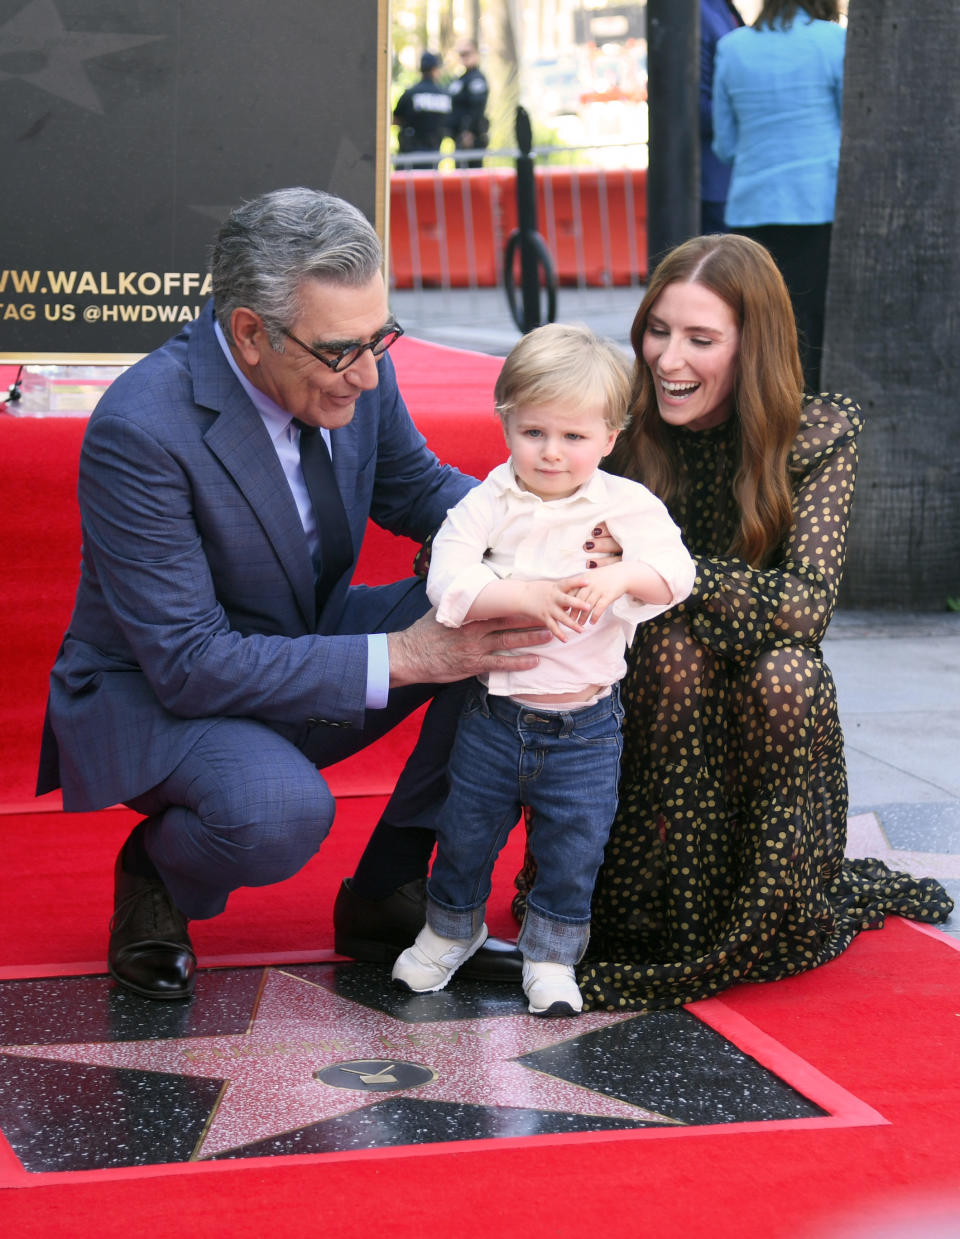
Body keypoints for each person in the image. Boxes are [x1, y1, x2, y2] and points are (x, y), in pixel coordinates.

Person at [35, 187, 621, 1003]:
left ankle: (388, 891)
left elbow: (424, 490)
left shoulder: (350, 361)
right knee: (279, 810)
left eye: (382, 337)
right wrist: (411, 655)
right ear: (249, 333)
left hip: (301, 640)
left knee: (514, 622)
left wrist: (573, 538)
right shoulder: (141, 428)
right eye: (345, 350)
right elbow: (189, 662)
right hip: (158, 691)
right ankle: (158, 872)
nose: (372, 373)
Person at [540, 232, 952, 1012]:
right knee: (670, 647)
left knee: (789, 672)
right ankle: (651, 909)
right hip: (648, 681)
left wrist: (662, 570)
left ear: (751, 346)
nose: (668, 359)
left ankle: (773, 905)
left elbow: (805, 606)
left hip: (761, 686)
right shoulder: (617, 420)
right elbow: (525, 513)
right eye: (658, 331)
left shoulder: (817, 431)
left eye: (700, 339)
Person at [391, 324, 695, 1016]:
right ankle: (450, 929)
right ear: (506, 424)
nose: (552, 452)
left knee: (573, 845)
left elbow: (678, 572)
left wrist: (622, 575)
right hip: (497, 715)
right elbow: (448, 580)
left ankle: (552, 956)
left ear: (610, 436)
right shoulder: (489, 501)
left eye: (573, 437)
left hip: (587, 724)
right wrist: (522, 594)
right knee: (465, 830)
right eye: (534, 433)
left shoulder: (626, 507)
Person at [711, 0, 846, 391]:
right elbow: (850, 126)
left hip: (752, 207)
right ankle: (811, 421)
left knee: (759, 323)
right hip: (818, 204)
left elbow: (725, 143)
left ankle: (763, 414)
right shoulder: (833, 41)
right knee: (811, 324)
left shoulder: (733, 47)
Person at [699, 0, 744, 234]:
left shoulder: (719, 8)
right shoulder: (701, 13)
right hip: (714, 183)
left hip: (725, 181)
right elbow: (695, 108)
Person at [393, 51, 453, 169]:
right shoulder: (445, 95)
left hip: (408, 158)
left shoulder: (410, 94)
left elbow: (395, 119)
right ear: (435, 70)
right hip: (433, 158)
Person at [448, 39, 489, 168]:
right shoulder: (461, 78)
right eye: (461, 54)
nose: (463, 57)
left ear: (476, 54)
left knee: (471, 178)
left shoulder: (476, 78)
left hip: (471, 137)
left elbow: (478, 106)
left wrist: (470, 131)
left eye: (467, 53)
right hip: (459, 136)